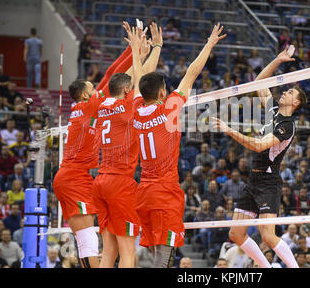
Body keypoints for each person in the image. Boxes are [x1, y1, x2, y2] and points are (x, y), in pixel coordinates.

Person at [133, 24, 225, 268]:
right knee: (164, 258)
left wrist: (152, 47)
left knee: (156, 253)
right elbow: (191, 74)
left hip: (144, 191)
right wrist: (209, 44)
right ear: (163, 91)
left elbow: (140, 79)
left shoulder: (136, 109)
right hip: (164, 192)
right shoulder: (168, 108)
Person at [212, 47, 305, 269]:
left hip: (268, 183)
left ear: (296, 104)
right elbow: (259, 81)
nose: (284, 92)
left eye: (290, 93)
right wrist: (278, 60)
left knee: (267, 236)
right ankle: (267, 266)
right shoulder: (274, 110)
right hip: (253, 181)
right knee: (235, 234)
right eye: (286, 90)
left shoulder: (286, 126)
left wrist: (230, 130)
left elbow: (258, 145)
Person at [53, 21, 136, 268]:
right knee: (88, 241)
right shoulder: (88, 106)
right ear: (85, 95)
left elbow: (111, 78)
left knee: (90, 240)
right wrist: (134, 51)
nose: (97, 87)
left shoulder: (85, 109)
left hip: (78, 177)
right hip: (72, 178)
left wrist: (133, 52)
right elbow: (111, 75)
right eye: (92, 87)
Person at [91, 22, 161, 268]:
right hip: (120, 184)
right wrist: (152, 48)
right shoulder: (128, 106)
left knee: (108, 252)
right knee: (128, 252)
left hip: (100, 182)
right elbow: (143, 79)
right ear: (127, 90)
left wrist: (139, 52)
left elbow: (130, 77)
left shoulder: (103, 106)